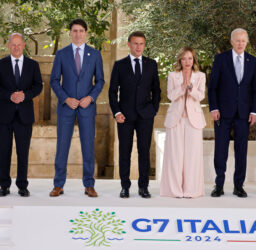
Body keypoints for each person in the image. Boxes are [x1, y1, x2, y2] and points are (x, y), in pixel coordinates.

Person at [49, 19, 105, 197]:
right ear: (70, 33)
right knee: (62, 145)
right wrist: (66, 98)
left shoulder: (95, 54)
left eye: (81, 31)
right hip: (66, 107)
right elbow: (54, 80)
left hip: (87, 107)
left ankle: (89, 185)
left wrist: (90, 97)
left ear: (86, 33)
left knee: (88, 146)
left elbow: (100, 81)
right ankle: (58, 185)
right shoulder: (62, 54)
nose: (78, 34)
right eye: (74, 31)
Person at [208, 28, 256, 198]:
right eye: (237, 40)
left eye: (243, 41)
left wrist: (254, 111)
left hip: (244, 113)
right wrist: (214, 108)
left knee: (241, 150)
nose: (240, 44)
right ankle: (219, 185)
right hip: (222, 113)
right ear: (231, 41)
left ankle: (239, 186)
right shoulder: (220, 59)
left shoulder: (252, 61)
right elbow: (213, 86)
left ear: (247, 42)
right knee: (220, 150)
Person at [109, 31, 161, 199]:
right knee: (125, 151)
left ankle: (143, 187)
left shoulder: (151, 64)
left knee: (144, 151)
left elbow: (157, 90)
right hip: (124, 116)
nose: (138, 47)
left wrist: (153, 110)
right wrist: (117, 112)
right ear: (129, 45)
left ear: (144, 45)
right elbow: (112, 92)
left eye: (141, 44)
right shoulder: (119, 65)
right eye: (135, 43)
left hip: (146, 115)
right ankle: (125, 186)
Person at [0, 33, 43, 197]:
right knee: (3, 151)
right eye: (13, 44)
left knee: (23, 152)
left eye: (19, 44)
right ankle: (3, 185)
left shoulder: (33, 65)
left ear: (24, 45)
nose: (16, 47)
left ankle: (22, 185)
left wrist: (25, 95)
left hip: (24, 115)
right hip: (4, 116)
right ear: (8, 45)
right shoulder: (1, 64)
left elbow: (38, 86)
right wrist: (10, 96)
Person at [160, 47, 206, 198]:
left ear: (194, 60)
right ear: (180, 60)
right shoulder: (173, 75)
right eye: (184, 58)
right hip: (175, 119)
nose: (187, 62)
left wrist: (191, 89)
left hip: (194, 120)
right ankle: (174, 190)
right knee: (175, 155)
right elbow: (171, 96)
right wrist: (182, 88)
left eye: (190, 58)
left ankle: (191, 190)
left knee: (192, 156)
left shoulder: (200, 76)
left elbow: (201, 96)